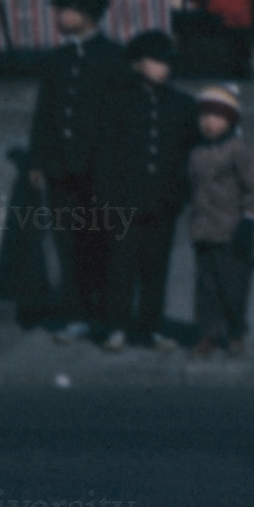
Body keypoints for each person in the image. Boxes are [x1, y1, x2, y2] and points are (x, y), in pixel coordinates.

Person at [27, 0, 135, 343]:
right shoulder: (56, 61)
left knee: (102, 243)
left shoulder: (115, 59)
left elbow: (124, 120)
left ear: (86, 13)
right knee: (67, 243)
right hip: (62, 167)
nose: (59, 17)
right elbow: (45, 115)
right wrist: (38, 160)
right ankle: (76, 313)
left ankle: (109, 315)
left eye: (65, 10)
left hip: (102, 170)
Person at [93, 26, 201, 351]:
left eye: (167, 61)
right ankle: (116, 326)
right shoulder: (118, 102)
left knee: (156, 266)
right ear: (138, 63)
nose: (163, 67)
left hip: (163, 198)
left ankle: (151, 326)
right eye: (155, 61)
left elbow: (192, 150)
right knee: (120, 265)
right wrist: (105, 198)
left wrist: (182, 192)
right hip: (124, 197)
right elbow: (104, 153)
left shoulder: (182, 104)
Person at [180, 82, 254, 356]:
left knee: (234, 286)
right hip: (204, 228)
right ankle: (207, 332)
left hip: (233, 229)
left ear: (230, 119)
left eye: (217, 116)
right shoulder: (196, 152)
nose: (209, 122)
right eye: (205, 116)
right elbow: (190, 184)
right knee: (206, 286)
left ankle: (235, 331)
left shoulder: (242, 150)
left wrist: (249, 218)